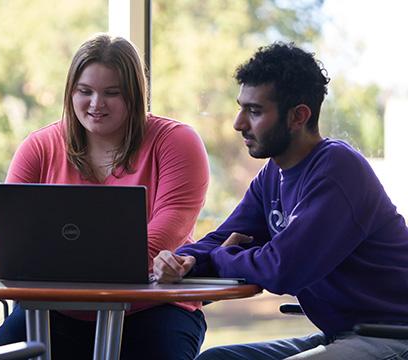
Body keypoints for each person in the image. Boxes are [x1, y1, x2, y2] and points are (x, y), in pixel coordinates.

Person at [154, 42, 408, 359]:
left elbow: (283, 268)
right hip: (341, 336)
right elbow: (223, 237)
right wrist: (185, 260)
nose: (238, 123)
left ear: (298, 116)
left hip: (394, 337)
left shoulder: (338, 170)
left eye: (255, 111)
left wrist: (221, 258)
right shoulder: (273, 174)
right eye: (241, 107)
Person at [0, 34, 210, 359]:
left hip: (152, 308)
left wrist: (64, 263)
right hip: (55, 311)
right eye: (85, 91)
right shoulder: (38, 147)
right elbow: (14, 243)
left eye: (112, 93)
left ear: (134, 95)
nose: (96, 104)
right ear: (70, 93)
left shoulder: (176, 142)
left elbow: (164, 235)